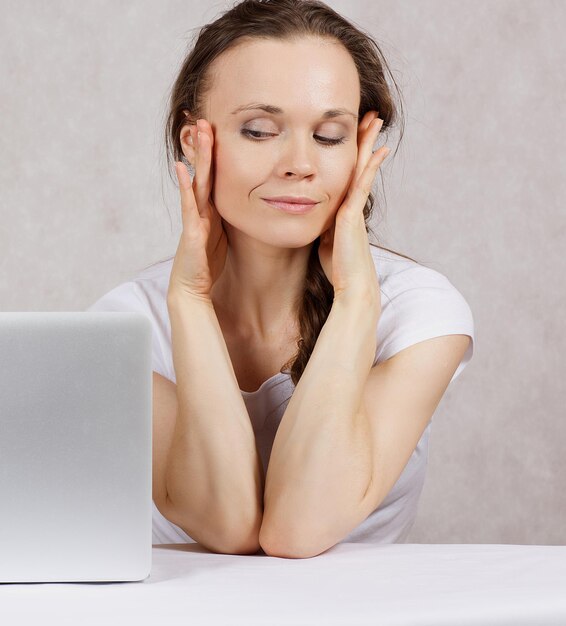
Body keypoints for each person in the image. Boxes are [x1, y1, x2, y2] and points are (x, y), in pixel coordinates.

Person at [87, 0, 475, 559]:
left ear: (365, 147)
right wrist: (190, 301)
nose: (300, 163)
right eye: (260, 130)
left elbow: (298, 530)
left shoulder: (419, 313)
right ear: (191, 139)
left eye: (330, 135)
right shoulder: (125, 328)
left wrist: (357, 300)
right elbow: (227, 526)